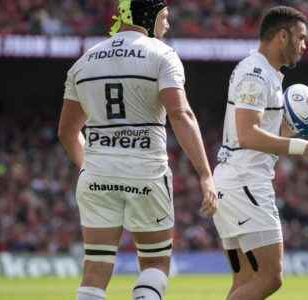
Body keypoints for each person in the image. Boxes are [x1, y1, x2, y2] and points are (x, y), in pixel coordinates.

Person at [58, 1, 218, 299]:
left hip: (96, 175)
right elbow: (180, 114)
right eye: (165, 17)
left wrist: (87, 166)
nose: (167, 25)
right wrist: (205, 174)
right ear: (149, 16)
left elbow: (67, 132)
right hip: (145, 172)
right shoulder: (162, 54)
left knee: (94, 272)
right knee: (155, 262)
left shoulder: (84, 61)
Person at [212, 6, 308, 300]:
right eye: (301, 38)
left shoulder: (267, 74)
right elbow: (247, 134)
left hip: (234, 185)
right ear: (282, 36)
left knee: (245, 280)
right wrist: (304, 148)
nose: (305, 45)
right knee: (271, 277)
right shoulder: (255, 73)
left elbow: (270, 134)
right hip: (245, 184)